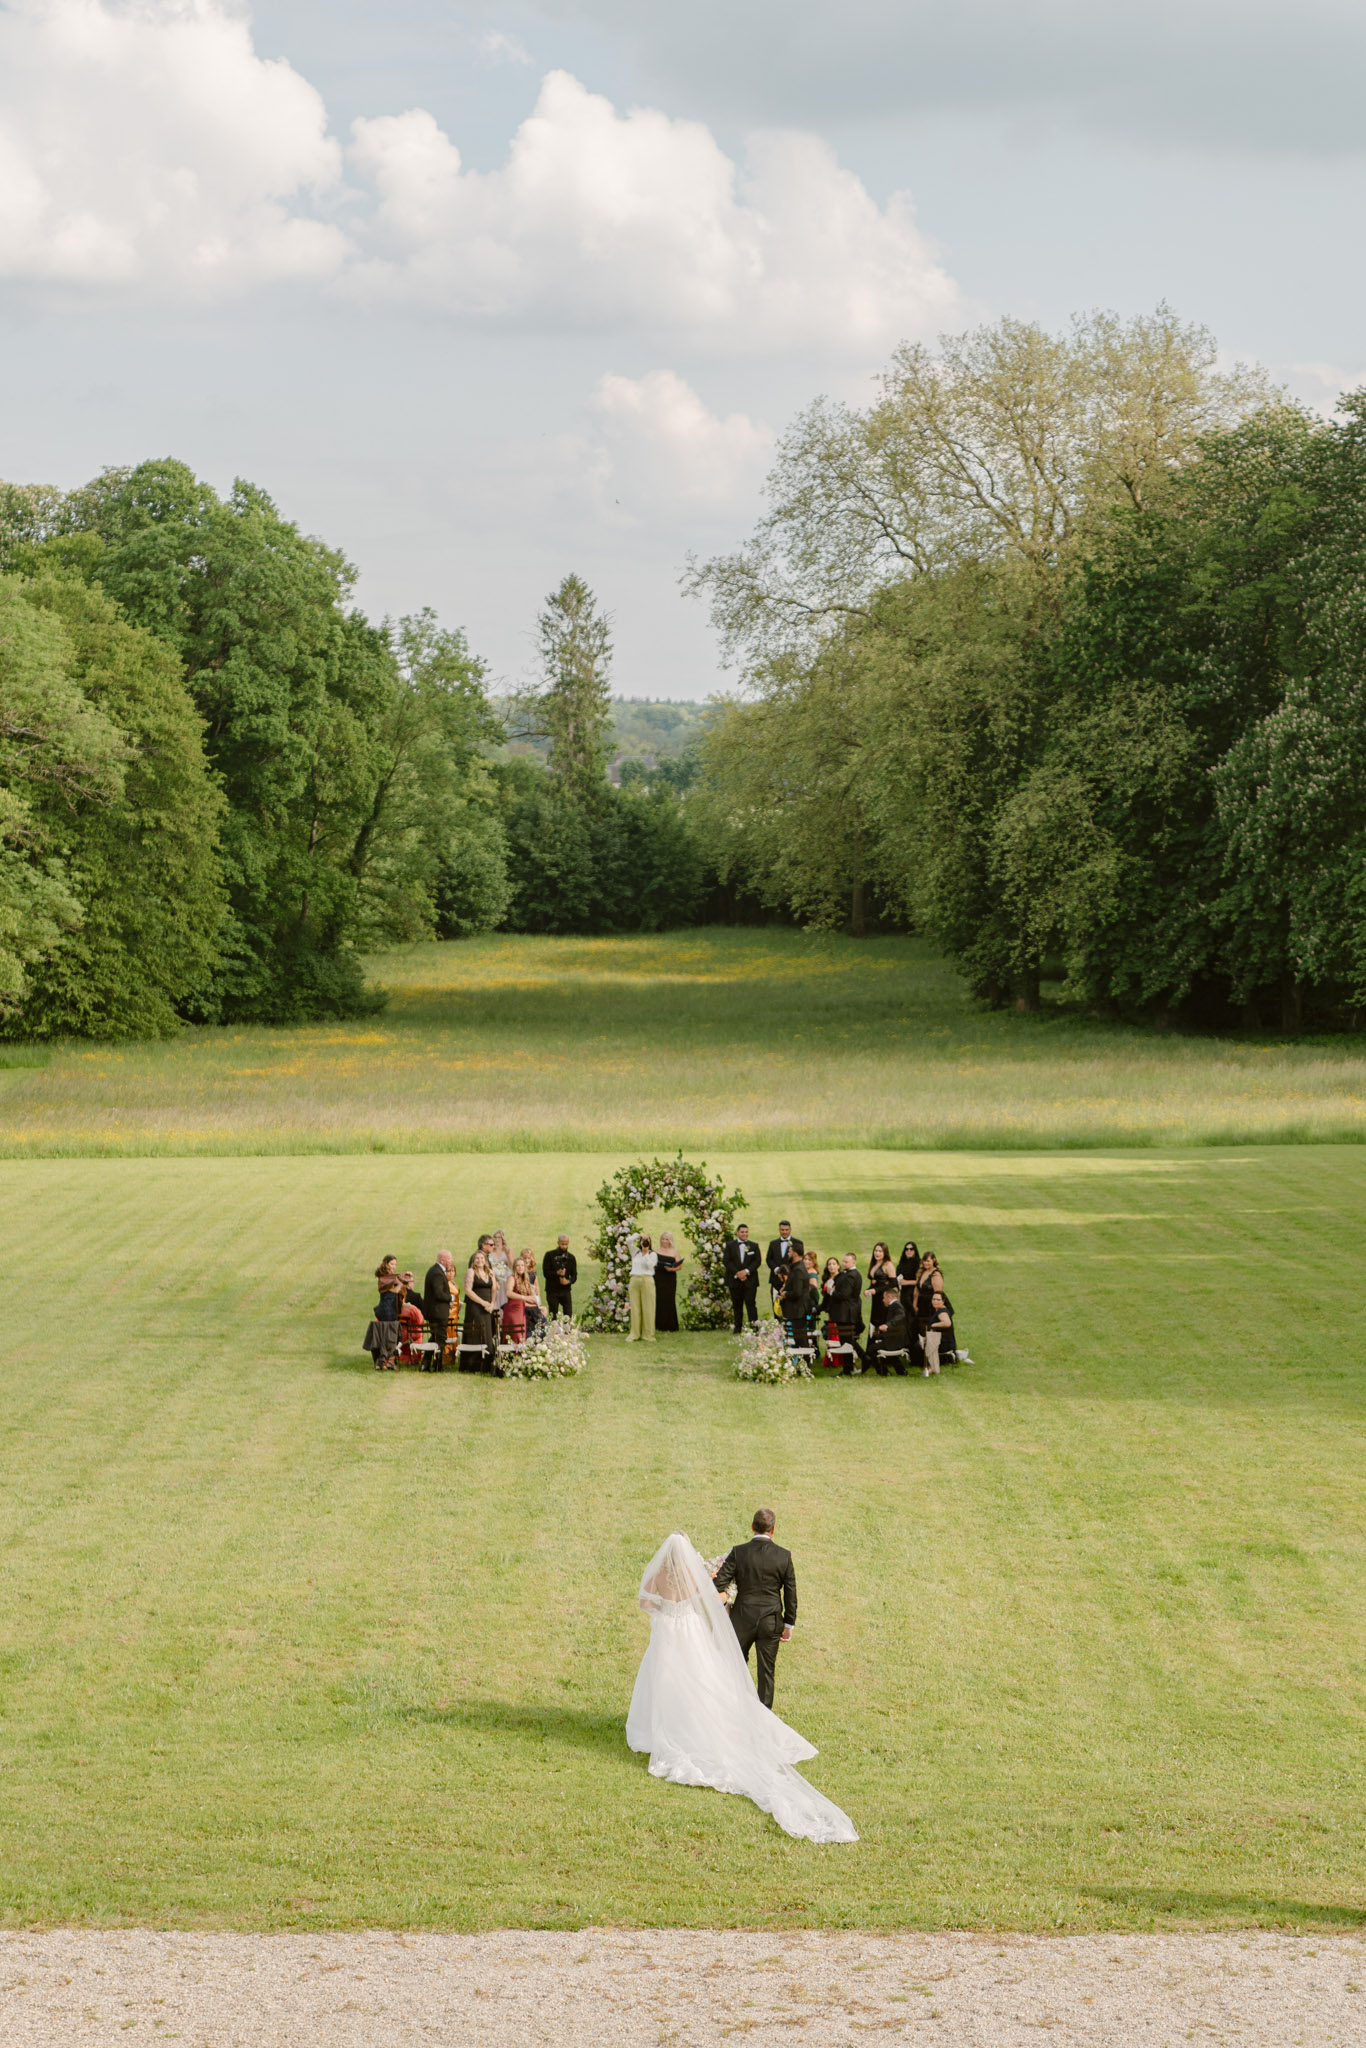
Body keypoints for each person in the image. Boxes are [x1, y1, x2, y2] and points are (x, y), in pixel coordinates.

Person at [626, 1531, 856, 1844]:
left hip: (668, 1631)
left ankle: (667, 1727)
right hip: (689, 1630)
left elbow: (644, 1602)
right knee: (697, 1678)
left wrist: (665, 1611)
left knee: (666, 1678)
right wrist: (722, 1595)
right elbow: (711, 1598)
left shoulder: (658, 1575)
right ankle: (696, 1723)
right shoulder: (691, 1576)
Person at [712, 1508, 798, 1711]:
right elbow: (791, 1593)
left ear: (752, 1527)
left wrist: (726, 1604)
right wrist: (788, 1624)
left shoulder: (739, 1552)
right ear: (773, 1530)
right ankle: (764, 1720)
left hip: (742, 1619)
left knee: (735, 1666)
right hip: (771, 1620)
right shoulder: (784, 1556)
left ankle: (734, 1709)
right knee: (766, 1673)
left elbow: (718, 1585)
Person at [461, 1249, 497, 1372]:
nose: (480, 1260)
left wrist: (492, 1304)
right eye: (477, 1258)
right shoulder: (471, 1272)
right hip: (475, 1307)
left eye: (482, 1258)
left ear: (485, 1260)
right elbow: (468, 1290)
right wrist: (482, 1302)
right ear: (473, 1261)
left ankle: (487, 1364)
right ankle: (474, 1365)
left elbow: (494, 1289)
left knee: (487, 1332)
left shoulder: (490, 1272)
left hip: (488, 1308)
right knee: (476, 1332)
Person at [723, 1223, 761, 1333]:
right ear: (737, 1233)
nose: (745, 1234)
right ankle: (737, 1328)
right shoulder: (730, 1245)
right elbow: (726, 1261)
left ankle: (754, 1328)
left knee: (751, 1304)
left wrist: (746, 1271)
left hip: (750, 1280)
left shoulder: (754, 1246)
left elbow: (757, 1261)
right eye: (742, 1232)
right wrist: (737, 1273)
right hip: (734, 1280)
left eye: (746, 1232)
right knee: (737, 1305)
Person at [829, 1254, 865, 1372]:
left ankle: (865, 1358)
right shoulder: (848, 1274)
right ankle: (847, 1368)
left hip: (846, 1313)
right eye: (843, 1261)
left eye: (846, 1262)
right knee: (845, 1341)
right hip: (845, 1313)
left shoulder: (852, 1276)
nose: (843, 1264)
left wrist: (831, 1292)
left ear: (853, 1262)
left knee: (847, 1340)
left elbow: (844, 1294)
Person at [422, 1250, 456, 1370]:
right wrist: (450, 1297)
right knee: (441, 1338)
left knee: (434, 1337)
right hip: (437, 1312)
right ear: (442, 1259)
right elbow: (438, 1293)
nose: (451, 1261)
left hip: (435, 1311)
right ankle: (438, 1365)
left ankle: (425, 1363)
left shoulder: (436, 1271)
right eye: (449, 1259)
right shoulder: (437, 1273)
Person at [370, 1254, 404, 1370]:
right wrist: (401, 1283)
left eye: (395, 1264)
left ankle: (387, 1361)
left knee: (392, 1335)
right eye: (391, 1264)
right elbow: (395, 1290)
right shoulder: (384, 1278)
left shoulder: (389, 1277)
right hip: (387, 1309)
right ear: (386, 1263)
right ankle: (385, 1361)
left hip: (390, 1308)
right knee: (391, 1335)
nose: (393, 1267)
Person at [871, 1281, 912, 1375]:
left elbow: (901, 1315)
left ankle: (883, 1372)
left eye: (884, 1298)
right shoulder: (893, 1306)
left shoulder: (896, 1306)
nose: (883, 1300)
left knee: (871, 1349)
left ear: (889, 1297)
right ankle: (901, 1371)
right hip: (894, 1339)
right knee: (887, 1348)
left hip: (897, 1340)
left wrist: (888, 1325)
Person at [765, 1221, 804, 1311]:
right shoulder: (773, 1243)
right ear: (779, 1230)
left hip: (791, 1281)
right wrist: (776, 1269)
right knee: (776, 1305)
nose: (784, 1232)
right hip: (775, 1280)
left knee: (790, 1307)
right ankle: (776, 1324)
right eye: (782, 1230)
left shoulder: (798, 1243)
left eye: (786, 1230)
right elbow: (768, 1259)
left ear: (790, 1229)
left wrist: (788, 1272)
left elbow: (799, 1260)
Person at [501, 1255, 536, 1349]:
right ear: (514, 1268)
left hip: (522, 1310)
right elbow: (508, 1293)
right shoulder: (512, 1278)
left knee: (522, 1334)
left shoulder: (525, 1279)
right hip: (513, 1310)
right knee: (514, 1334)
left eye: (522, 1265)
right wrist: (524, 1297)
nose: (520, 1267)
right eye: (518, 1265)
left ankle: (520, 1357)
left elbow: (529, 1297)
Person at [627, 1234, 657, 1342]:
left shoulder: (653, 1254)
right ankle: (635, 1333)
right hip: (634, 1279)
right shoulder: (635, 1252)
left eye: (647, 1240)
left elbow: (650, 1266)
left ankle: (648, 1334)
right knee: (635, 1308)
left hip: (647, 1280)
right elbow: (628, 1240)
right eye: (643, 1240)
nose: (644, 1242)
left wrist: (645, 1254)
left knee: (648, 1307)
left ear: (650, 1242)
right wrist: (638, 1235)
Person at [654, 1232, 683, 1332]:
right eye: (662, 1239)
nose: (664, 1241)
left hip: (670, 1278)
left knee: (669, 1300)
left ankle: (671, 1325)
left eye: (666, 1239)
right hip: (658, 1278)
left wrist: (671, 1269)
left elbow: (679, 1266)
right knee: (659, 1300)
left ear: (670, 1241)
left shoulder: (675, 1252)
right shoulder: (656, 1251)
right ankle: (659, 1325)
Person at [543, 1235, 577, 1320]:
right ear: (558, 1243)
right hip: (552, 1290)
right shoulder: (549, 1255)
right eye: (562, 1244)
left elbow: (574, 1276)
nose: (564, 1246)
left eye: (566, 1244)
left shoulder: (571, 1258)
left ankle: (568, 1331)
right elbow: (546, 1273)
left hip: (565, 1290)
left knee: (568, 1314)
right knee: (553, 1314)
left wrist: (568, 1281)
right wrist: (557, 1273)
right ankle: (554, 1331)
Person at [517, 1247, 545, 1339]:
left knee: (542, 1314)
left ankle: (539, 1335)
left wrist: (539, 1301)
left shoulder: (533, 1272)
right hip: (525, 1299)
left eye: (528, 1258)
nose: (526, 1260)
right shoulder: (520, 1273)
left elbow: (537, 1289)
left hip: (533, 1298)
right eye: (524, 1258)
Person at [924, 1288, 953, 1376]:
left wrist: (933, 1325)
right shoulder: (939, 1310)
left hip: (944, 1343)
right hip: (941, 1340)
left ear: (943, 1301)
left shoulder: (942, 1312)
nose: (935, 1301)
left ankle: (933, 1368)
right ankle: (931, 1367)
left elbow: (947, 1323)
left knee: (923, 1344)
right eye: (933, 1299)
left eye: (938, 1300)